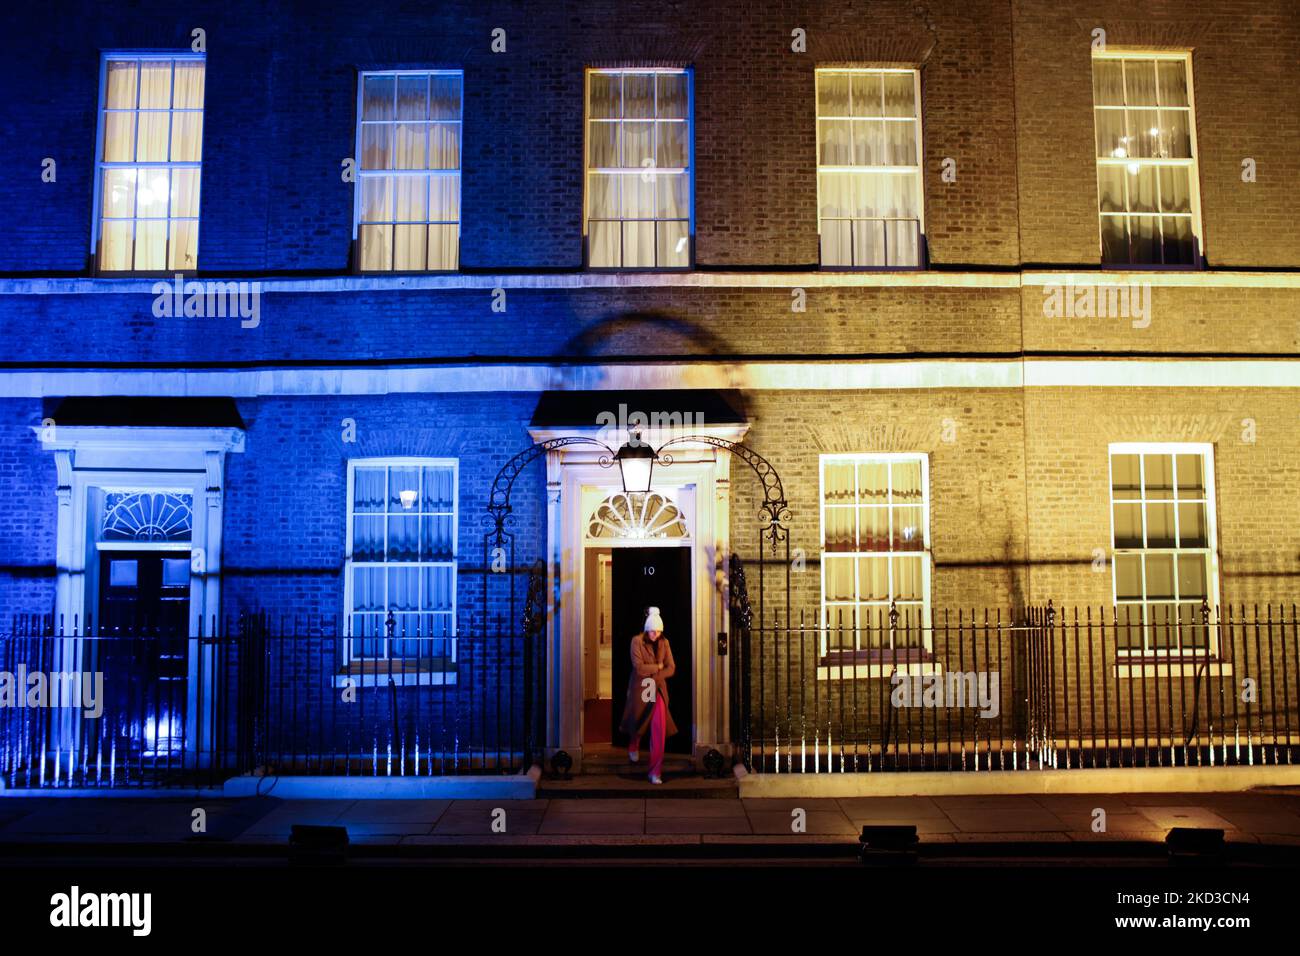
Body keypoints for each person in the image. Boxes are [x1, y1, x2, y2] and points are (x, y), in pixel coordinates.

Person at [618, 606, 677, 784]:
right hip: (643, 687)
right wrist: (657, 668)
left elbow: (671, 668)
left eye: (658, 631)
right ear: (646, 629)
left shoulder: (664, 643)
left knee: (658, 729)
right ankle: (633, 743)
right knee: (639, 721)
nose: (655, 635)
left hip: (657, 687)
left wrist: (657, 673)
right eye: (653, 631)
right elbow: (638, 667)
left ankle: (655, 772)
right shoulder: (636, 641)